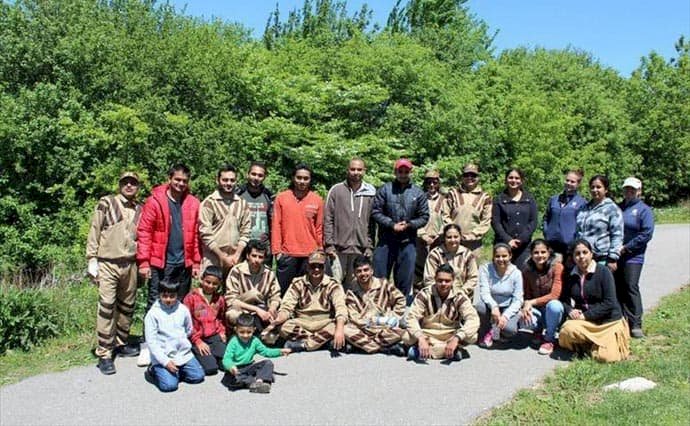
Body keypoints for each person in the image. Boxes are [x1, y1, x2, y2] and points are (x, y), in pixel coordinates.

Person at [86, 171, 142, 375]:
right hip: (108, 262)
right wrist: (91, 258)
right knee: (107, 307)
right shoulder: (106, 203)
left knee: (127, 306)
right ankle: (104, 353)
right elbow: (95, 229)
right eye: (125, 182)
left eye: (133, 183)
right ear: (120, 184)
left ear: (137, 186)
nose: (129, 186)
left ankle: (120, 342)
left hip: (130, 264)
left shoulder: (140, 208)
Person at [137, 163, 201, 309]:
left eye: (184, 181)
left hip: (184, 263)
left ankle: (176, 332)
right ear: (169, 178)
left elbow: (196, 235)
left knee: (181, 302)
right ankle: (151, 332)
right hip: (160, 262)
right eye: (177, 179)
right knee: (155, 302)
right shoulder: (155, 201)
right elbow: (144, 232)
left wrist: (196, 262)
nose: (181, 183)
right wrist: (144, 262)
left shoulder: (193, 203)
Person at [559, 239, 630, 362]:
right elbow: (563, 299)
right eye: (577, 253)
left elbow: (610, 302)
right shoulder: (571, 274)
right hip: (588, 323)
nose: (581, 257)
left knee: (607, 357)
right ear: (573, 257)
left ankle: (594, 346)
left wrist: (585, 316)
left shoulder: (603, 272)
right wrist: (570, 310)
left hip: (608, 322)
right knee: (566, 330)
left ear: (591, 254)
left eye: (585, 252)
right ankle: (592, 345)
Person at [372, 158, 429, 304]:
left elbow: (424, 216)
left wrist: (409, 224)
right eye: (400, 171)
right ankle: (379, 306)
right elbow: (376, 212)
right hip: (386, 241)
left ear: (410, 172)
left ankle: (400, 310)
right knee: (379, 278)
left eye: (406, 171)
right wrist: (391, 225)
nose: (403, 174)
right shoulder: (385, 189)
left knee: (404, 281)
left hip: (408, 242)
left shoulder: (418, 192)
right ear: (395, 171)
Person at [270, 250, 348, 352]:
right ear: (307, 267)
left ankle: (305, 345)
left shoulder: (333, 284)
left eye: (320, 266)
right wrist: (280, 317)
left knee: (340, 326)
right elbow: (287, 306)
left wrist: (339, 327)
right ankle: (321, 342)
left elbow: (340, 307)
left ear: (324, 268)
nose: (316, 269)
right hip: (302, 322)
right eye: (313, 266)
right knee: (282, 327)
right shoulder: (297, 283)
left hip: (324, 322)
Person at [404, 264, 480, 361]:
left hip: (450, 334)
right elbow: (412, 317)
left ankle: (421, 352)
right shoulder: (424, 294)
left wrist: (457, 338)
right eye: (440, 280)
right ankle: (449, 352)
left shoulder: (459, 296)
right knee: (407, 336)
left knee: (473, 336)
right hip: (427, 333)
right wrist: (421, 338)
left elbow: (473, 319)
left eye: (447, 281)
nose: (443, 284)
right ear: (435, 279)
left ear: (453, 281)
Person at [272, 163, 325, 294]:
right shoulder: (282, 198)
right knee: (283, 292)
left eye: (305, 178)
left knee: (306, 292)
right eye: (299, 177)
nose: (302, 181)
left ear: (310, 180)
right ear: (293, 178)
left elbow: (319, 228)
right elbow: (276, 225)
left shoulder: (317, 200)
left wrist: (320, 250)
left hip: (310, 254)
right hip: (287, 253)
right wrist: (277, 252)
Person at [324, 158, 376, 289]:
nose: (355, 172)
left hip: (360, 248)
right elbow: (328, 218)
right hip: (338, 248)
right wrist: (329, 244)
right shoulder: (336, 190)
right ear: (347, 170)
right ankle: (335, 308)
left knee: (355, 283)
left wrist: (369, 246)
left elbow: (372, 222)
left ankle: (351, 307)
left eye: (359, 169)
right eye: (353, 169)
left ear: (364, 171)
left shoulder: (370, 192)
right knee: (334, 282)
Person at [143, 280, 205, 392]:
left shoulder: (183, 310)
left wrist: (181, 341)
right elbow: (151, 342)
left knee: (198, 376)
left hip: (182, 353)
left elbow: (189, 329)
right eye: (164, 296)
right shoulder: (153, 314)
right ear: (159, 295)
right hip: (164, 355)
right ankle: (154, 370)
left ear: (177, 295)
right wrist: (165, 362)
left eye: (172, 296)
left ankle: (176, 372)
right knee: (169, 386)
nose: (168, 300)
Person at [615, 177, 654, 338]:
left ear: (639, 191)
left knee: (630, 287)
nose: (629, 192)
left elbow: (646, 233)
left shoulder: (644, 210)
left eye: (632, 189)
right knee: (617, 287)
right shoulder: (618, 207)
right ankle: (621, 320)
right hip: (616, 255)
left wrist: (627, 247)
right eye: (626, 189)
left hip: (633, 256)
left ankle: (636, 323)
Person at [343, 256, 406, 355]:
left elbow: (401, 299)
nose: (363, 274)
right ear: (354, 273)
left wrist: (393, 316)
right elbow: (353, 316)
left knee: (402, 331)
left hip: (384, 327)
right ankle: (383, 348)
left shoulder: (384, 284)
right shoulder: (351, 292)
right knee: (345, 330)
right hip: (364, 328)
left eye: (366, 270)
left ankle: (364, 346)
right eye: (359, 271)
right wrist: (369, 323)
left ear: (372, 271)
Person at [199, 164, 251, 277]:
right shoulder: (209, 203)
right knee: (210, 291)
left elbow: (246, 231)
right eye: (225, 180)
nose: (229, 183)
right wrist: (221, 256)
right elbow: (205, 233)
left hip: (235, 258)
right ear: (217, 180)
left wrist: (237, 255)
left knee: (233, 292)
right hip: (213, 257)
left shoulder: (242, 203)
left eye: (232, 180)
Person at [225, 239, 281, 343]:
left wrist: (272, 308)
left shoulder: (268, 273)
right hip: (242, 309)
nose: (257, 260)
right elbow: (231, 300)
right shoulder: (237, 271)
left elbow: (275, 296)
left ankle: (261, 336)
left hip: (263, 311)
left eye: (260, 257)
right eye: (254, 256)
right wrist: (256, 310)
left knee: (278, 322)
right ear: (247, 256)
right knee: (232, 314)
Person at [221, 313, 291, 393]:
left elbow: (266, 351)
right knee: (235, 379)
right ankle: (260, 379)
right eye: (242, 332)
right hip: (236, 370)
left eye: (249, 332)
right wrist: (231, 367)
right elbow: (226, 358)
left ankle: (259, 382)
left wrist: (279, 352)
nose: (245, 335)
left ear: (254, 330)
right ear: (236, 329)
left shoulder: (255, 341)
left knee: (267, 363)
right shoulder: (233, 342)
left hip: (248, 366)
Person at [519, 239, 564, 356]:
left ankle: (549, 339)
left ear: (549, 252)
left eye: (543, 252)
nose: (540, 256)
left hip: (552, 310)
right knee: (524, 319)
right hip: (537, 309)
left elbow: (555, 295)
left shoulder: (557, 267)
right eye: (536, 253)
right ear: (531, 254)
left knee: (555, 305)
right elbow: (527, 294)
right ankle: (538, 330)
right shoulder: (527, 270)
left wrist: (531, 302)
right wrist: (526, 305)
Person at [476, 243, 524, 348]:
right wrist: (493, 306)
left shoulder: (516, 273)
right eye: (497, 256)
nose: (501, 259)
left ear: (510, 256)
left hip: (508, 305)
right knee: (480, 307)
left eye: (504, 256)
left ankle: (500, 331)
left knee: (510, 330)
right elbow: (484, 292)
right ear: (493, 257)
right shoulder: (485, 269)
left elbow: (518, 299)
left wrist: (506, 316)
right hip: (491, 305)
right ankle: (487, 330)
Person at [441, 163, 492, 261]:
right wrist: (454, 234)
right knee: (451, 271)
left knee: (473, 272)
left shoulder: (485, 197)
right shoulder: (452, 194)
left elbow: (486, 220)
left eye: (473, 175)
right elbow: (445, 214)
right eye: (466, 175)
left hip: (474, 244)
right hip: (453, 242)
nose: (470, 178)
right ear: (462, 177)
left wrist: (472, 235)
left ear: (478, 178)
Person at [182, 266, 227, 376]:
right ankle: (196, 354)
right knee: (211, 369)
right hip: (197, 338)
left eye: (214, 284)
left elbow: (221, 318)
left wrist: (222, 331)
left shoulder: (219, 299)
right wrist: (197, 341)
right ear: (202, 279)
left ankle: (213, 355)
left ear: (219, 284)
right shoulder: (191, 298)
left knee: (227, 364)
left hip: (214, 336)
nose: (210, 286)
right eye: (208, 282)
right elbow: (186, 323)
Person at [575, 174, 624, 272]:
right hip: (583, 257)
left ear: (606, 190)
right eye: (592, 187)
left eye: (598, 187)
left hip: (602, 258)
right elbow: (577, 232)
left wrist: (613, 258)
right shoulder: (583, 208)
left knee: (599, 286)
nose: (595, 190)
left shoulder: (612, 209)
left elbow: (617, 235)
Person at [491, 168, 538, 267]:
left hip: (524, 246)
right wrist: (508, 240)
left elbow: (533, 222)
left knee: (523, 275)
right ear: (506, 180)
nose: (514, 180)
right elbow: (496, 223)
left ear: (521, 181)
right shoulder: (498, 200)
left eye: (517, 178)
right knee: (501, 273)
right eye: (511, 177)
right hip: (503, 244)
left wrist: (521, 239)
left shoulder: (529, 199)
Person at [423, 224, 478, 298]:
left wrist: (461, 292)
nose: (453, 240)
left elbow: (473, 278)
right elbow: (429, 279)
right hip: (439, 296)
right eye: (449, 237)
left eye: (456, 237)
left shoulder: (468, 254)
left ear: (460, 237)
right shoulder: (435, 254)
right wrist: (441, 294)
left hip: (463, 296)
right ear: (444, 238)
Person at [235, 161, 274, 267]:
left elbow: (273, 223)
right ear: (247, 174)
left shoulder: (269, 196)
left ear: (264, 177)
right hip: (242, 246)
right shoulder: (238, 194)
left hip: (263, 247)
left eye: (260, 175)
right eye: (253, 174)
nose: (256, 178)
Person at [543, 170, 588, 257]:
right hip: (551, 244)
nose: (569, 183)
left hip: (569, 247)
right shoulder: (554, 199)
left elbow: (582, 226)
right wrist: (546, 231)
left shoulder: (582, 202)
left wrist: (575, 242)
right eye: (567, 180)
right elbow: (546, 218)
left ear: (578, 184)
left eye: (572, 182)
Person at [414, 170, 445, 289]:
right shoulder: (419, 198)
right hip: (421, 239)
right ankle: (418, 296)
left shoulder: (445, 200)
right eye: (429, 182)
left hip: (439, 240)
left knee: (437, 267)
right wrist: (422, 234)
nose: (432, 185)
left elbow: (448, 219)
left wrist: (439, 235)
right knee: (419, 269)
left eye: (435, 182)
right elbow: (414, 217)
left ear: (439, 183)